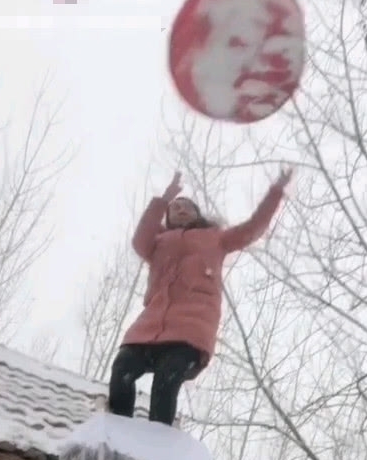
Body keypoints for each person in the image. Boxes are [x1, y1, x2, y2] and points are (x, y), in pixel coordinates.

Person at [108, 167, 293, 426]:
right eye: (175, 208)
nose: (180, 209)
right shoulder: (157, 242)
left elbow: (253, 228)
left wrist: (275, 192)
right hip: (149, 326)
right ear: (168, 217)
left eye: (187, 207)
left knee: (167, 377)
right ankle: (116, 432)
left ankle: (156, 443)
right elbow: (140, 241)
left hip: (190, 329)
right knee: (123, 368)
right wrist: (164, 199)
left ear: (198, 215)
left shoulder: (215, 238)